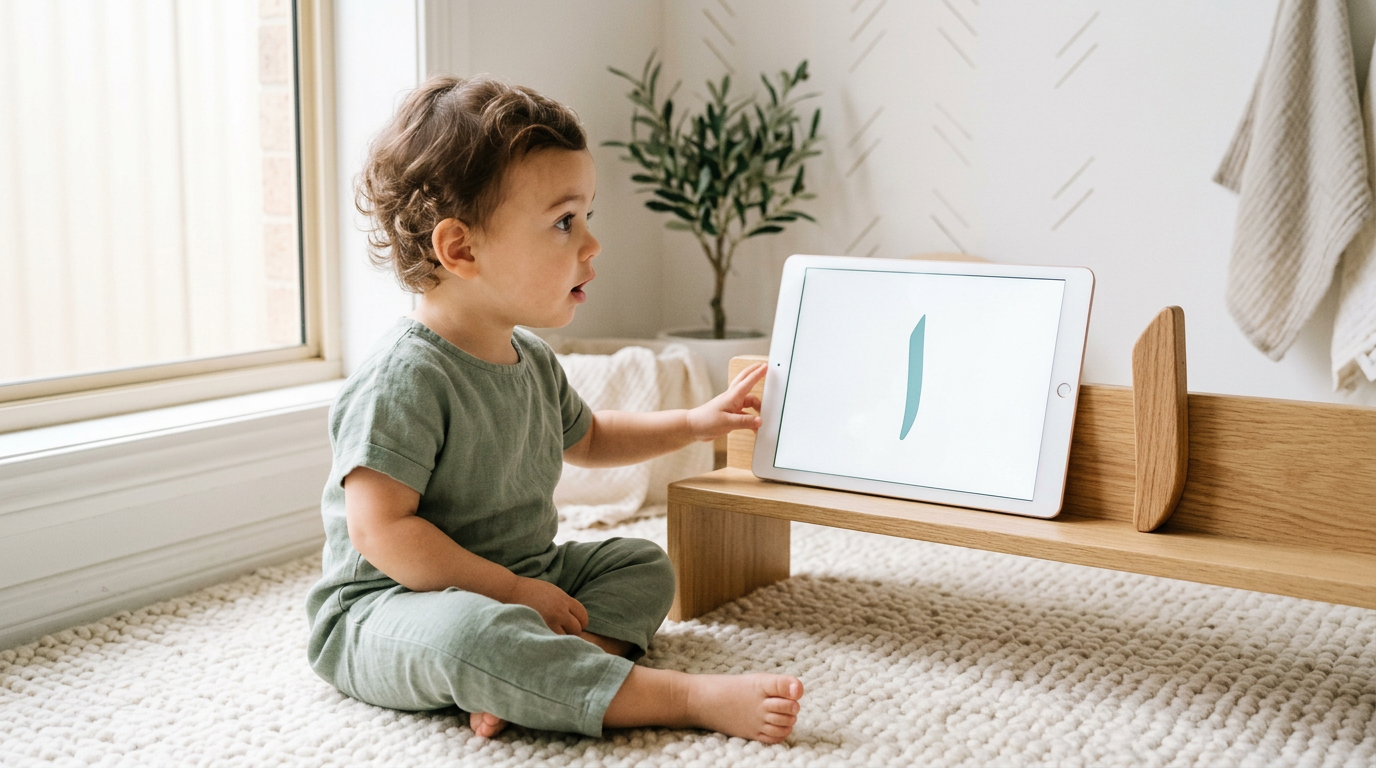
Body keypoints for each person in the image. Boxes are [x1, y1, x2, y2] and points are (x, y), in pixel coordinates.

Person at [304, 75, 804, 744]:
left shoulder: (531, 359)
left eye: (587, 217)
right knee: (472, 633)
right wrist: (509, 593)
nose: (591, 244)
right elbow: (381, 532)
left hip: (524, 577)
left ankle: (542, 679)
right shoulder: (404, 377)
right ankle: (676, 697)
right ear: (461, 249)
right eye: (565, 222)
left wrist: (695, 422)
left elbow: (592, 438)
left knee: (642, 565)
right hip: (392, 606)